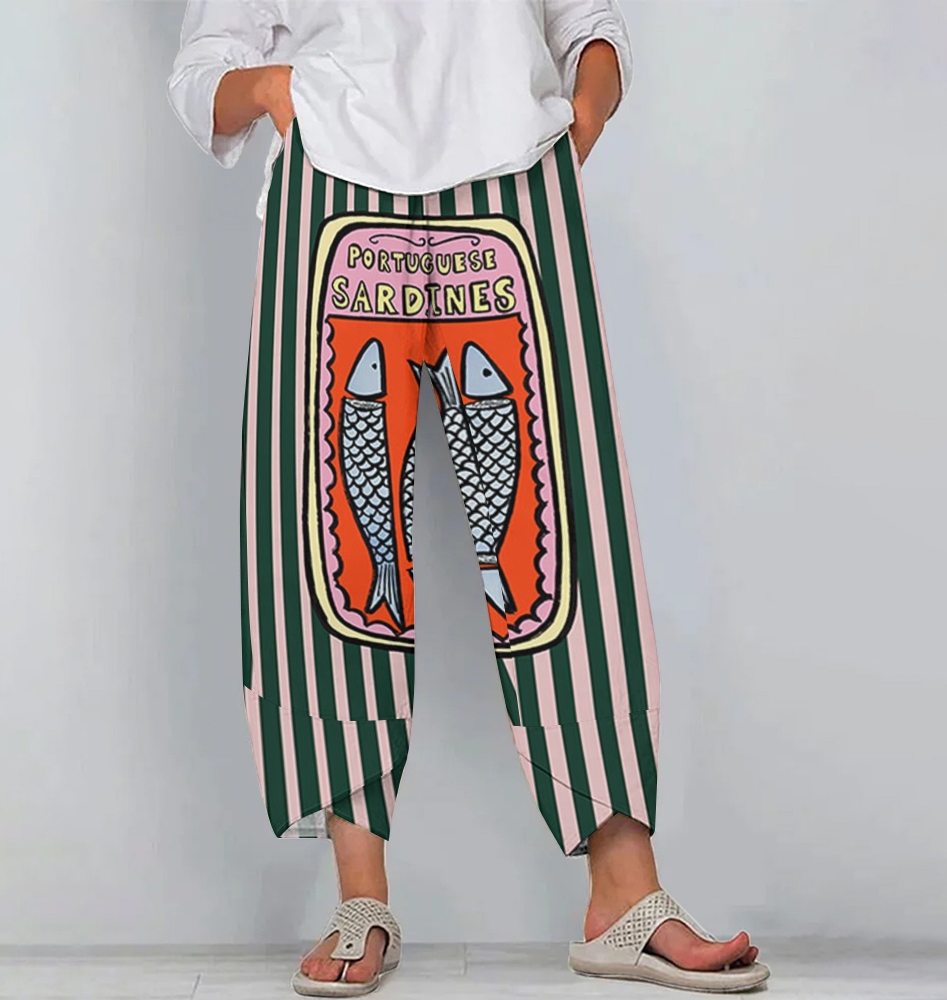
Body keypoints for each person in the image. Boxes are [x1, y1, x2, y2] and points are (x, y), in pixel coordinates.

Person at [168, 2, 769, 995]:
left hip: (515, 184)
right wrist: (276, 89)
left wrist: (584, 112)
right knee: (334, 540)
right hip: (336, 184)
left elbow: (589, 22)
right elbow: (203, 73)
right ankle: (360, 897)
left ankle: (624, 893)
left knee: (564, 530)